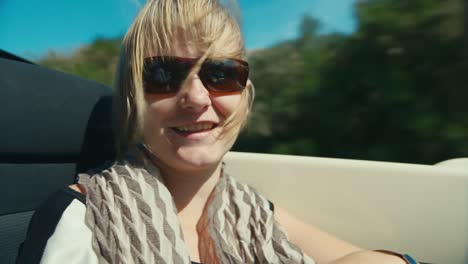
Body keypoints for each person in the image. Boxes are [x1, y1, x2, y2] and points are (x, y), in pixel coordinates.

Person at [17, 1, 417, 263]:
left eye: (221, 74)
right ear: (132, 99)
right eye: (163, 74)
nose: (195, 97)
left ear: (244, 95)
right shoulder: (79, 220)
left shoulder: (257, 213)